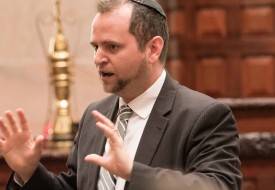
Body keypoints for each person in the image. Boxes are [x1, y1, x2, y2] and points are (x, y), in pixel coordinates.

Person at [0, 0, 242, 189]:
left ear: (153, 49)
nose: (98, 59)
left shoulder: (203, 115)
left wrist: (132, 172)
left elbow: (219, 186)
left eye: (112, 46)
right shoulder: (95, 115)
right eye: (96, 47)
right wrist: (29, 171)